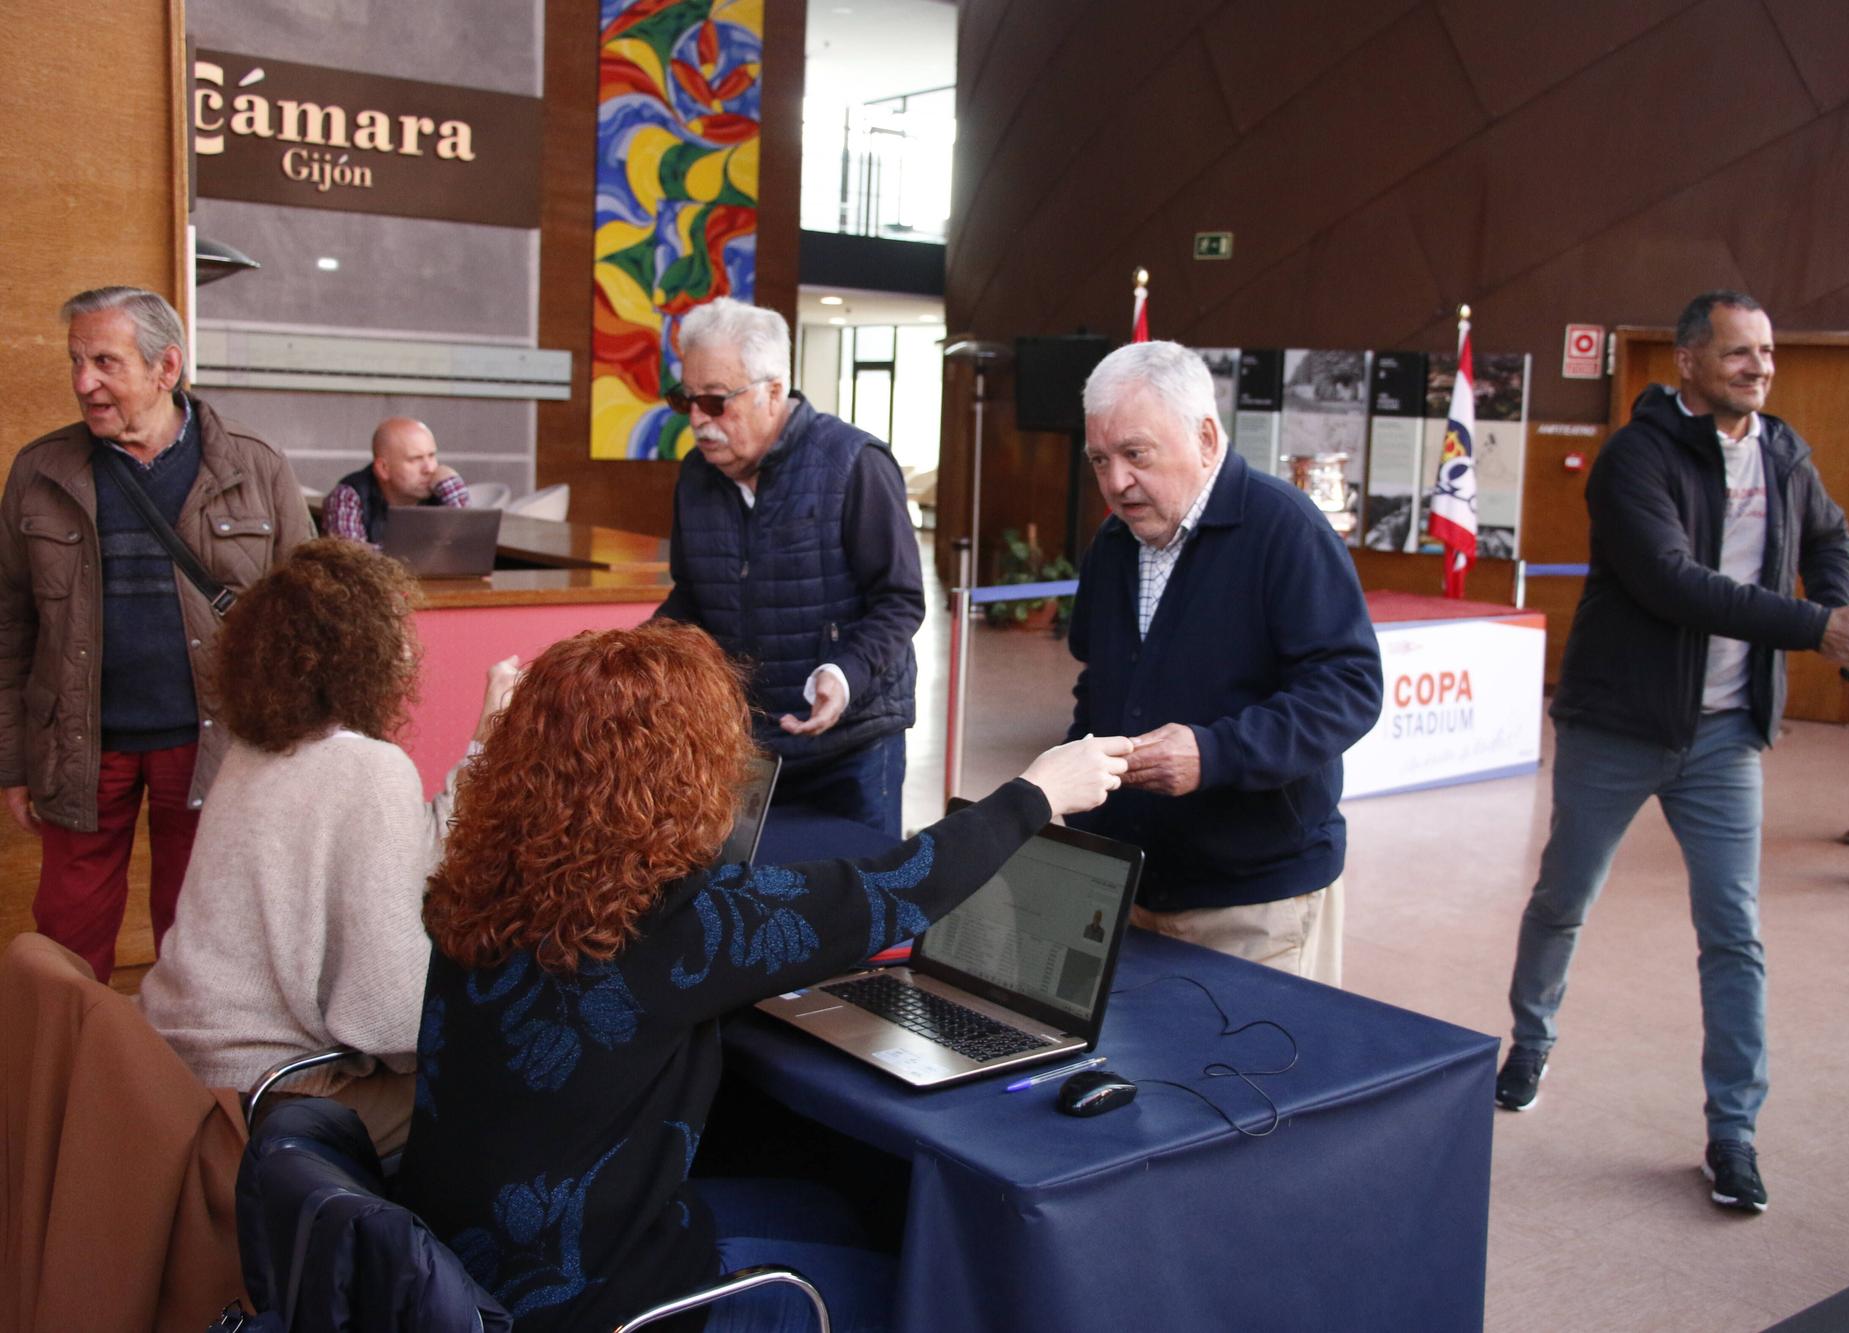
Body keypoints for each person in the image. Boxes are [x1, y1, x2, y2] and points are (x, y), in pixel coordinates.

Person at [395, 621, 1129, 1332]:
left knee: (831, 1209)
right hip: (596, 1302)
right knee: (915, 1293)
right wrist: (1036, 793)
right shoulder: (674, 924)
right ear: (679, 777)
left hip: (460, 1273)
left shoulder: (477, 887)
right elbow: (894, 888)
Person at [1494, 291, 1849, 1215]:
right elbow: (1676, 584)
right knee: (1564, 899)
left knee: (1734, 934)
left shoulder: (1784, 448)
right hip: (1619, 728)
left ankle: (1733, 1131)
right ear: (1686, 360)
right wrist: (1819, 627)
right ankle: (1531, 1038)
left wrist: (1837, 604)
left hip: (1725, 739)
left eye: (1766, 352)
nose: (1759, 367)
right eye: (1738, 353)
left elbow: (1829, 533)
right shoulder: (1633, 458)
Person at [138, 539, 517, 1152]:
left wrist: (484, 743)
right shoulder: (370, 768)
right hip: (276, 1093)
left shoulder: (251, 751)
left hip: (177, 1066)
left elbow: (415, 852)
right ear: (363, 654)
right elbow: (388, 1014)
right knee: (506, 1088)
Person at [0, 286, 313, 981]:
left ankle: (186, 1086)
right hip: (81, 745)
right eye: (77, 361)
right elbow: (10, 628)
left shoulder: (256, 466)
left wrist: (303, 748)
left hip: (215, 742)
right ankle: (67, 1077)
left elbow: (311, 616)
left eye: (106, 362)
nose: (85, 383)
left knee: (201, 940)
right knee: (66, 945)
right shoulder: (39, 471)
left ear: (166, 367)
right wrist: (12, 764)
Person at [1064, 340, 1384, 985]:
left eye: (1136, 454)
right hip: (1125, 887)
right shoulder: (1114, 543)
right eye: (1100, 459)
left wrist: (1217, 755)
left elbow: (1350, 688)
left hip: (1253, 899)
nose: (1116, 481)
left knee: (1246, 1085)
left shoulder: (1285, 530)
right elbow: (1099, 684)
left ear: (1206, 438)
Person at [653, 298, 923, 837]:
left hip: (853, 748)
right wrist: (632, 656)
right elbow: (692, 598)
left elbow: (900, 598)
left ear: (773, 391)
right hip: (745, 747)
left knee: (857, 907)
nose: (698, 420)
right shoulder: (696, 476)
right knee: (754, 908)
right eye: (686, 400)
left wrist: (844, 674)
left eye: (715, 401)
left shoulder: (853, 464)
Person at [321, 417, 470, 544]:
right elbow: (352, 561)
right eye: (415, 459)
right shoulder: (349, 495)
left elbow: (468, 548)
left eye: (431, 456)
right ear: (383, 468)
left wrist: (452, 490)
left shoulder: (442, 490)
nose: (429, 468)